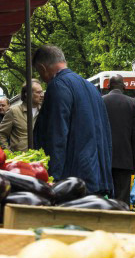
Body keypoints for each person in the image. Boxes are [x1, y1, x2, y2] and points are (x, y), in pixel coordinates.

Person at [32, 44, 114, 195]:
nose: (42, 79)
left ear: (43, 68)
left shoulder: (57, 85)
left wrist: (53, 176)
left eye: (39, 72)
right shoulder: (91, 88)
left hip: (73, 179)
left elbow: (57, 134)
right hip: (97, 176)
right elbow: (106, 132)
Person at [101, 75, 135, 203]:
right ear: (124, 86)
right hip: (125, 159)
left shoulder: (100, 101)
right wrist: (134, 161)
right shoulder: (134, 104)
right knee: (122, 199)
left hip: (103, 157)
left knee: (102, 196)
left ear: (108, 86)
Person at [0, 81, 42, 152]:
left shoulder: (44, 111)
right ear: (27, 94)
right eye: (38, 92)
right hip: (20, 160)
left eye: (41, 92)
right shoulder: (14, 111)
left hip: (41, 159)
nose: (42, 95)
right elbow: (0, 134)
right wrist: (9, 154)